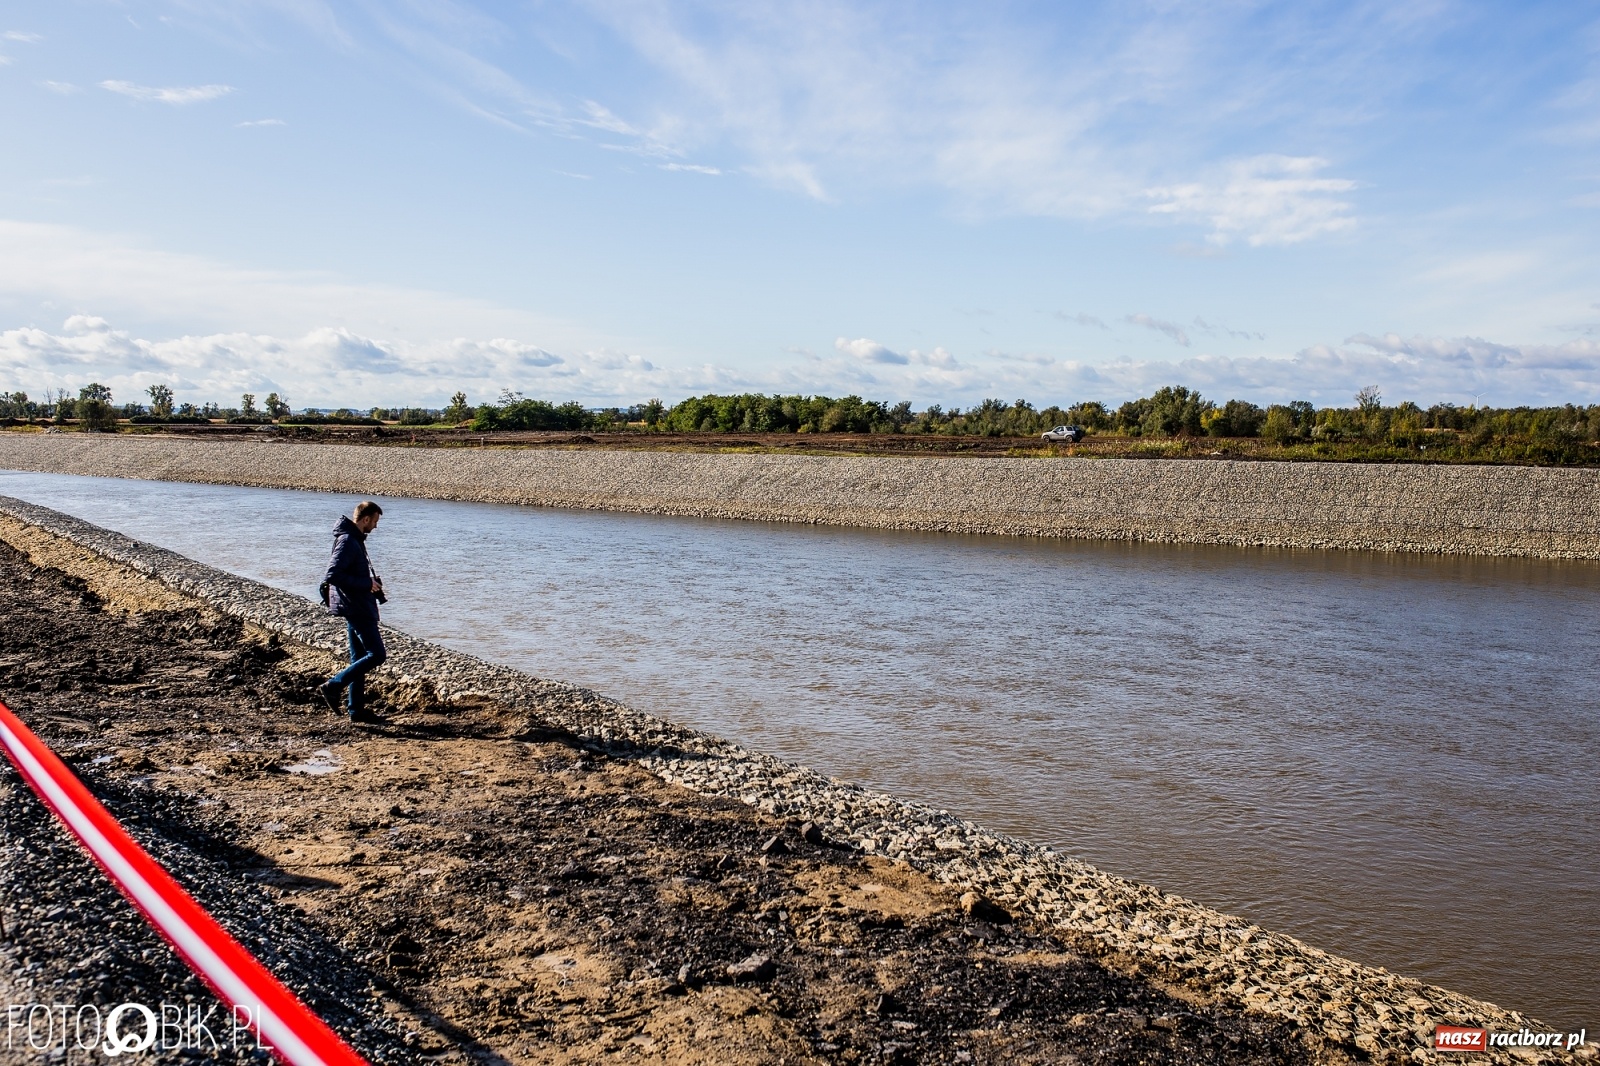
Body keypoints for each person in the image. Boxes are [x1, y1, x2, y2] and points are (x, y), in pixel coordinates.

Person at [317, 500, 389, 724]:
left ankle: (356, 710)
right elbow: (333, 574)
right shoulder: (348, 540)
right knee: (377, 655)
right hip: (356, 606)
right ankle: (334, 685)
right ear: (365, 519)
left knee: (358, 657)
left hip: (355, 604)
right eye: (375, 521)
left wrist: (370, 582)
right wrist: (366, 584)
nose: (376, 527)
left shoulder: (353, 538)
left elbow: (347, 574)